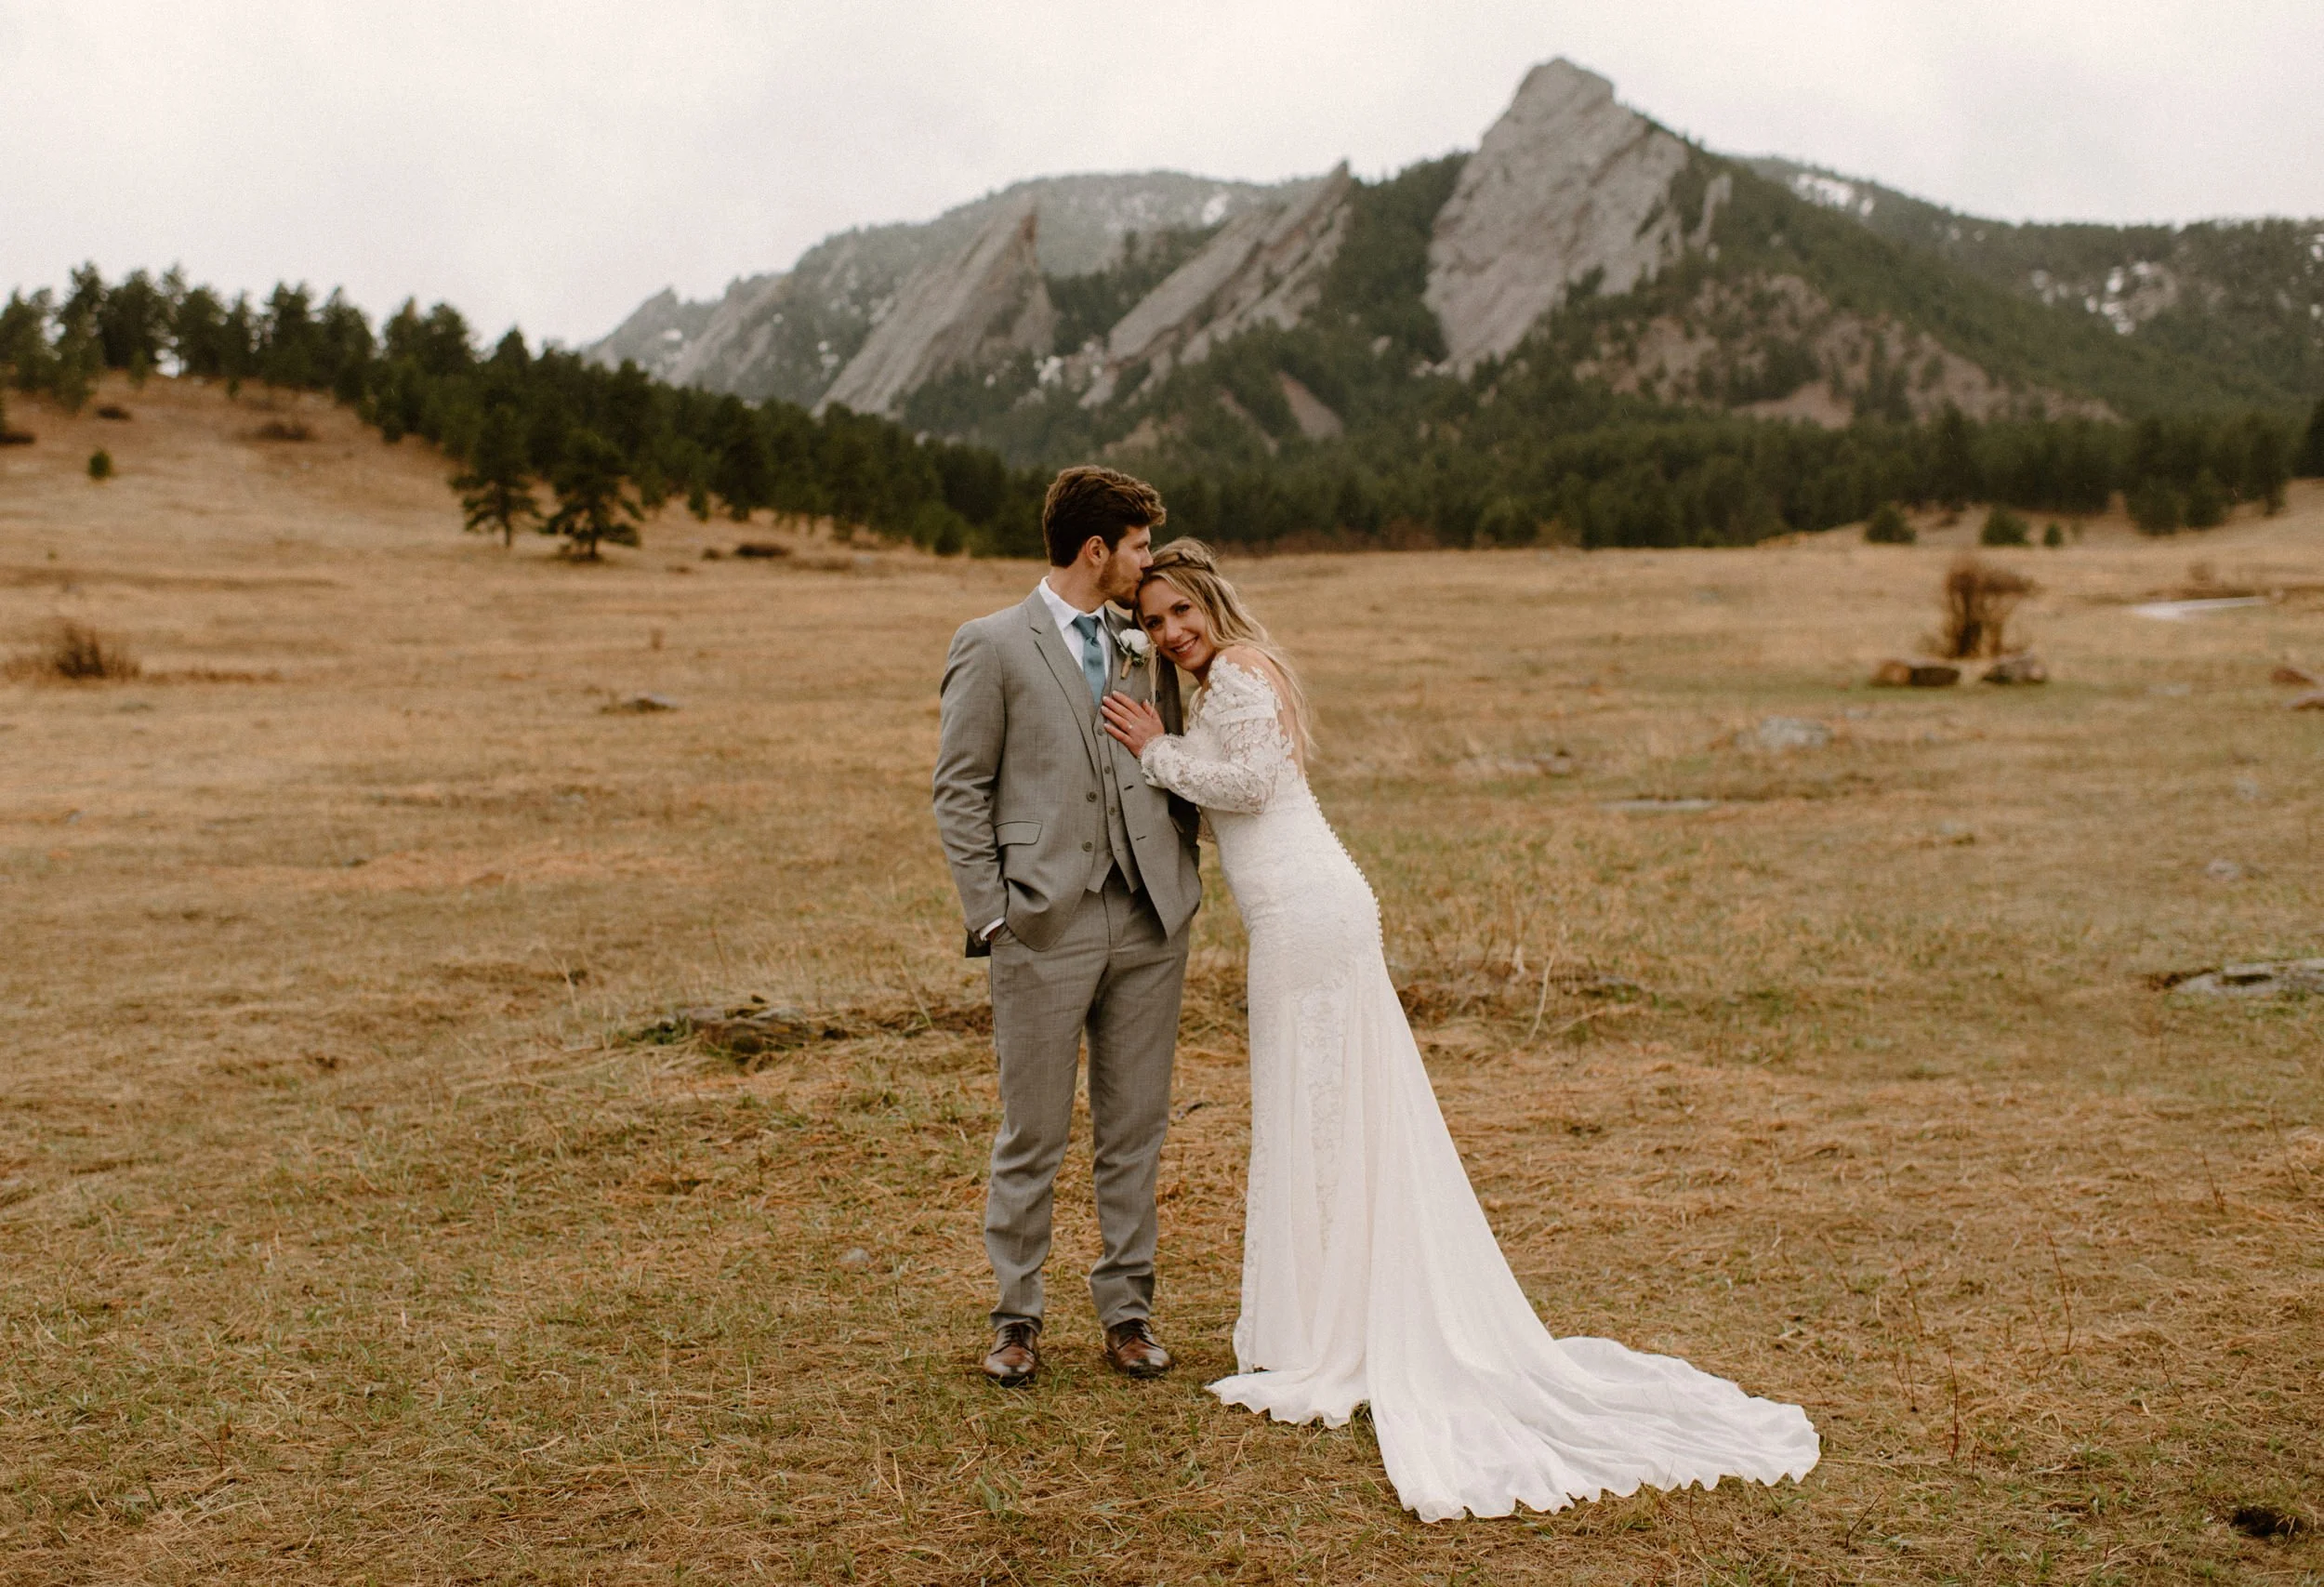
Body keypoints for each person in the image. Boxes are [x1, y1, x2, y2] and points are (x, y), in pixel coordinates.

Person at [1099, 539, 1820, 1522]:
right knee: (1326, 1112)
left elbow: (1251, 788)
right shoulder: (1232, 673)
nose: (1172, 632)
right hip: (1306, 909)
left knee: (1318, 1112)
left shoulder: (1233, 673)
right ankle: (1327, 1313)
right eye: (1153, 621)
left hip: (1306, 913)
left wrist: (1153, 750)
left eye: (1181, 611)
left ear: (1214, 605)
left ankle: (1327, 1330)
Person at [931, 467, 1204, 1388]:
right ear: (1097, 551)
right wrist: (993, 915)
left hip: (1149, 921)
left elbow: (1180, 756)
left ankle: (1128, 1313)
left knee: (1134, 1128)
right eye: (1135, 547)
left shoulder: (1144, 646)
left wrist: (1181, 871)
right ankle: (1016, 1318)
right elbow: (959, 789)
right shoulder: (992, 644)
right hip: (1040, 927)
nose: (1145, 564)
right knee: (1032, 1132)